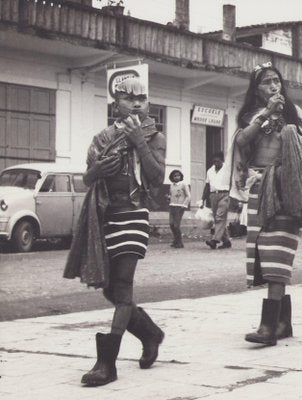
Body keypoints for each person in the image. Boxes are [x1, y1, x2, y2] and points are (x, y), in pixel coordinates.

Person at [64, 78, 166, 386]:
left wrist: (138, 142)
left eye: (142, 97)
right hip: (104, 216)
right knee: (111, 289)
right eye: (127, 97)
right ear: (115, 104)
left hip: (134, 213)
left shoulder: (154, 136)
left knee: (122, 285)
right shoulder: (102, 138)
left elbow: (157, 177)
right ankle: (150, 334)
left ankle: (106, 363)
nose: (136, 103)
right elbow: (87, 177)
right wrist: (98, 171)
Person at [227, 61, 302, 346]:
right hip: (259, 188)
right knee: (266, 253)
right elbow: (242, 143)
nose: (273, 86)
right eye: (267, 82)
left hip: (287, 189)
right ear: (256, 90)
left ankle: (268, 327)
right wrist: (266, 115)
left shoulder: (296, 114)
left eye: (276, 81)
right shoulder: (250, 116)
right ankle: (283, 322)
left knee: (277, 252)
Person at [202, 152, 231, 249]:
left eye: (218, 161)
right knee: (218, 219)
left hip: (225, 194)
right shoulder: (210, 171)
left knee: (219, 217)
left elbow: (233, 183)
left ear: (222, 160)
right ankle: (226, 241)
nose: (216, 163)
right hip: (213, 195)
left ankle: (215, 240)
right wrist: (203, 199)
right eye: (214, 161)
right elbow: (207, 185)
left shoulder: (228, 169)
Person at [168, 169, 190, 248]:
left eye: (178, 175)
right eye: (175, 176)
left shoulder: (184, 185)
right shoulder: (171, 185)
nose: (177, 177)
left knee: (176, 225)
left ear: (181, 176)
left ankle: (180, 242)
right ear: (172, 177)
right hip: (172, 206)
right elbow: (172, 195)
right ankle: (175, 240)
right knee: (171, 224)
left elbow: (188, 196)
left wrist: (183, 205)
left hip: (180, 207)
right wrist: (169, 197)